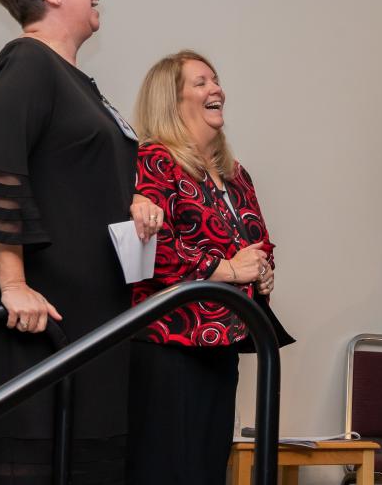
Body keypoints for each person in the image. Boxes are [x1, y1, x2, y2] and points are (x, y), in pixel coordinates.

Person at [0, 0, 161, 484]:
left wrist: (135, 197)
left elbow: (76, 174)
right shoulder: (26, 62)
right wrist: (13, 285)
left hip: (92, 329)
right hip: (37, 329)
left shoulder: (82, 85)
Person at [126, 50, 293, 485]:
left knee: (206, 470)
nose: (215, 89)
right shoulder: (153, 161)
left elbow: (258, 242)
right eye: (201, 82)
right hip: (169, 346)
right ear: (171, 99)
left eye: (215, 80)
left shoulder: (235, 174)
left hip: (222, 342)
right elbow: (153, 256)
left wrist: (263, 270)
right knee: (168, 471)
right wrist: (230, 271)